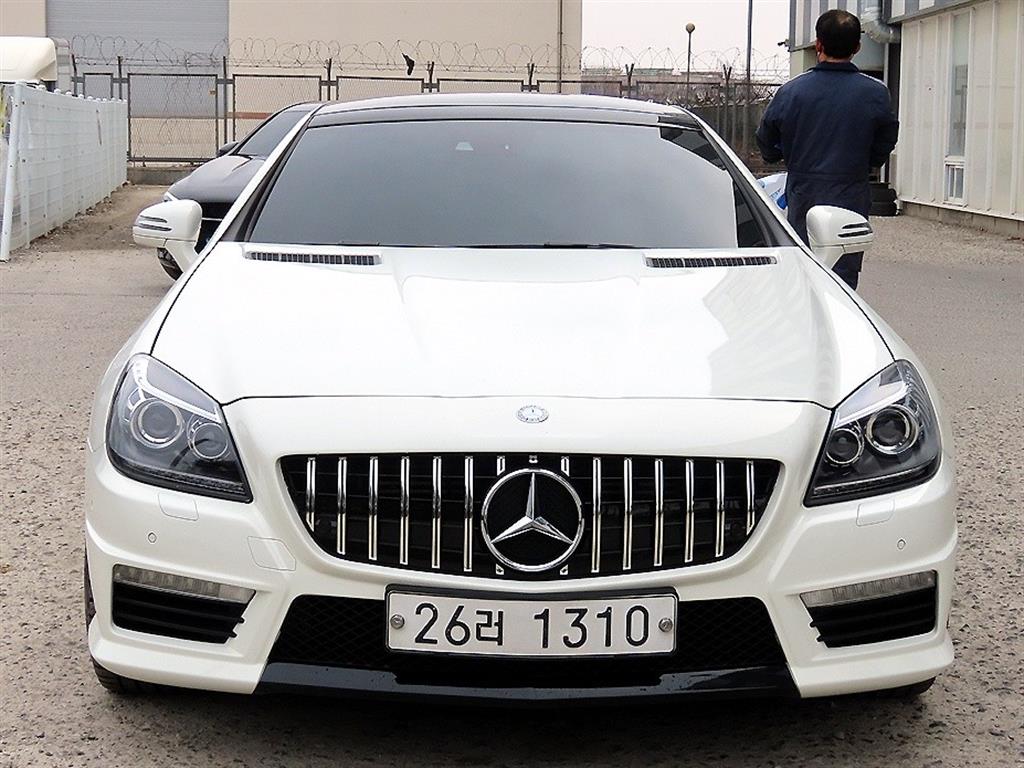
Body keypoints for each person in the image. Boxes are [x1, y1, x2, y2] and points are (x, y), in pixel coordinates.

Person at [756, 9, 899, 290]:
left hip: (804, 192)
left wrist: (781, 154)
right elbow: (886, 138)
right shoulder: (875, 93)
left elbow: (766, 138)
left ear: (818, 44)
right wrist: (867, 162)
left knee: (803, 268)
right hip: (851, 192)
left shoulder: (792, 91)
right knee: (843, 274)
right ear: (857, 48)